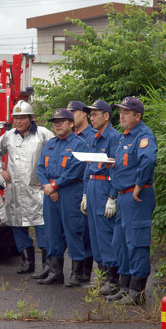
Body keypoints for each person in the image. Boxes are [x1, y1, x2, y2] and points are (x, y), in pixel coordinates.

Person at [0, 100, 54, 275]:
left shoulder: (43, 134)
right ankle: (27, 262)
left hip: (37, 190)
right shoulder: (8, 136)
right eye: (16, 118)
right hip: (15, 190)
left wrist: (50, 177)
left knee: (42, 226)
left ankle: (48, 265)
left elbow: (57, 153)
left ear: (31, 118)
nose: (18, 121)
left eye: (22, 118)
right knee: (17, 225)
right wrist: (0, 170)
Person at [108, 96, 158, 305]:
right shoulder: (124, 137)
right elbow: (128, 163)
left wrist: (138, 185)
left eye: (126, 112)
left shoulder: (144, 135)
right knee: (120, 243)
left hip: (137, 196)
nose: (121, 116)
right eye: (120, 112)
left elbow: (148, 160)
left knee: (136, 243)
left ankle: (137, 292)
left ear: (138, 116)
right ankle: (126, 286)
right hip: (122, 197)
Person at [36, 108, 87, 285]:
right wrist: (47, 186)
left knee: (73, 232)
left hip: (70, 192)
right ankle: (55, 272)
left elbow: (75, 170)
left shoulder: (80, 144)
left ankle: (76, 275)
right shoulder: (50, 144)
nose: (57, 125)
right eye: (55, 123)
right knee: (52, 233)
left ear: (71, 124)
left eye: (61, 122)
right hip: (50, 193)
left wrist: (55, 185)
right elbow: (40, 167)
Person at [81, 100, 123, 297]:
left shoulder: (113, 138)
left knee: (106, 233)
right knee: (96, 234)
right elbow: (88, 166)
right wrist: (84, 193)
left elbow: (117, 169)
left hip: (105, 186)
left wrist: (113, 196)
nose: (91, 118)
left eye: (95, 114)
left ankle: (112, 280)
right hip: (93, 185)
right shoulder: (95, 138)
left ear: (106, 116)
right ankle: (103, 276)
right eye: (90, 114)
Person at [66, 100, 95, 286]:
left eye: (73, 112)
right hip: (73, 187)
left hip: (89, 186)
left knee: (87, 231)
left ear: (83, 113)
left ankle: (86, 270)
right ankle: (79, 269)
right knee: (76, 229)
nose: (70, 116)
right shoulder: (70, 136)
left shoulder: (93, 135)